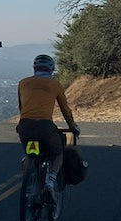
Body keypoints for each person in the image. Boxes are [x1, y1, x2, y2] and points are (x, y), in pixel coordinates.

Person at [16, 53, 79, 207]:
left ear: (34, 68)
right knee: (57, 153)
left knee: (30, 155)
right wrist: (72, 126)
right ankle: (50, 182)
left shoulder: (23, 83)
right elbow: (65, 109)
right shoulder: (55, 85)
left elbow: (22, 107)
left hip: (25, 127)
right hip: (45, 127)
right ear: (51, 69)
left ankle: (29, 189)